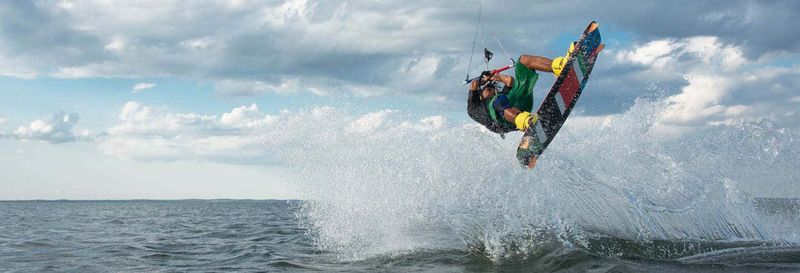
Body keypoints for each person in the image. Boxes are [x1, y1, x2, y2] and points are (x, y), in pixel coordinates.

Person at [467, 45, 573, 136]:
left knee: (523, 60)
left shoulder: (501, 96)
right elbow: (474, 84)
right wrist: (484, 80)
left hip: (517, 107)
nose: (493, 89)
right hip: (504, 122)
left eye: (493, 88)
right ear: (480, 95)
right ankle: (528, 123)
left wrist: (495, 76)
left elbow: (509, 80)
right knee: (497, 100)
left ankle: (561, 66)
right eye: (489, 88)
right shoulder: (473, 107)